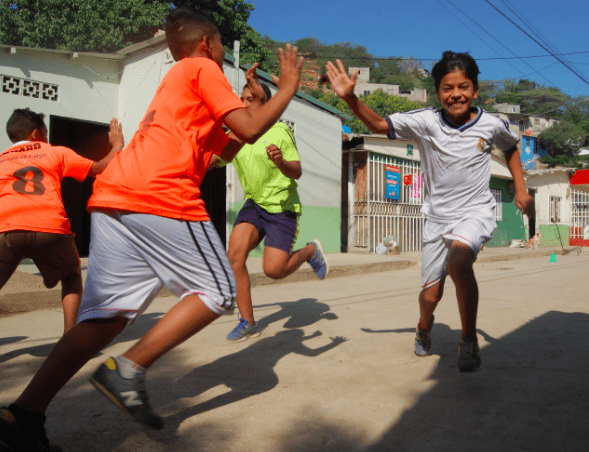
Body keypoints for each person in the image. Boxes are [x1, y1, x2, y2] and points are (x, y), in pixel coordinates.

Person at [0, 7, 303, 452]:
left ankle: (20, 416)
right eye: (221, 45)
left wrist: (256, 105)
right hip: (158, 195)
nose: (223, 55)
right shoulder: (201, 67)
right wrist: (288, 89)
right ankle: (127, 369)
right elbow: (253, 130)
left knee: (104, 320)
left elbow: (234, 140)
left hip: (113, 197)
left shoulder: (179, 85)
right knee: (218, 289)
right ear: (206, 45)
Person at [325, 51, 532, 372]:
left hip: (475, 211)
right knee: (431, 295)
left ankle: (468, 340)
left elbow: (511, 147)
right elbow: (379, 124)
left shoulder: (491, 124)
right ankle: (424, 326)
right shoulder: (425, 121)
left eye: (463, 87)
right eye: (447, 88)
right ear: (438, 93)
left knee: (461, 262)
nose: (456, 94)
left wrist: (520, 187)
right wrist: (351, 99)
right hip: (437, 218)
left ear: (475, 91)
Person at [209, 83, 329, 343]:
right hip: (254, 204)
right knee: (235, 257)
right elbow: (214, 161)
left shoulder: (279, 130)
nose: (243, 104)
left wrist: (280, 162)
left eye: (250, 99)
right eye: (241, 99)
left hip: (281, 207)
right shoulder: (236, 134)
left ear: (265, 102)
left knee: (274, 270)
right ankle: (248, 322)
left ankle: (310, 251)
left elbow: (296, 171)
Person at [0, 109, 123, 334]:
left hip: (7, 229)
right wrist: (116, 146)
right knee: (71, 275)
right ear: (36, 134)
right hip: (49, 226)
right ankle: (69, 335)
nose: (47, 138)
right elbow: (99, 169)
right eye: (46, 134)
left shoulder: (1, 160)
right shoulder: (54, 152)